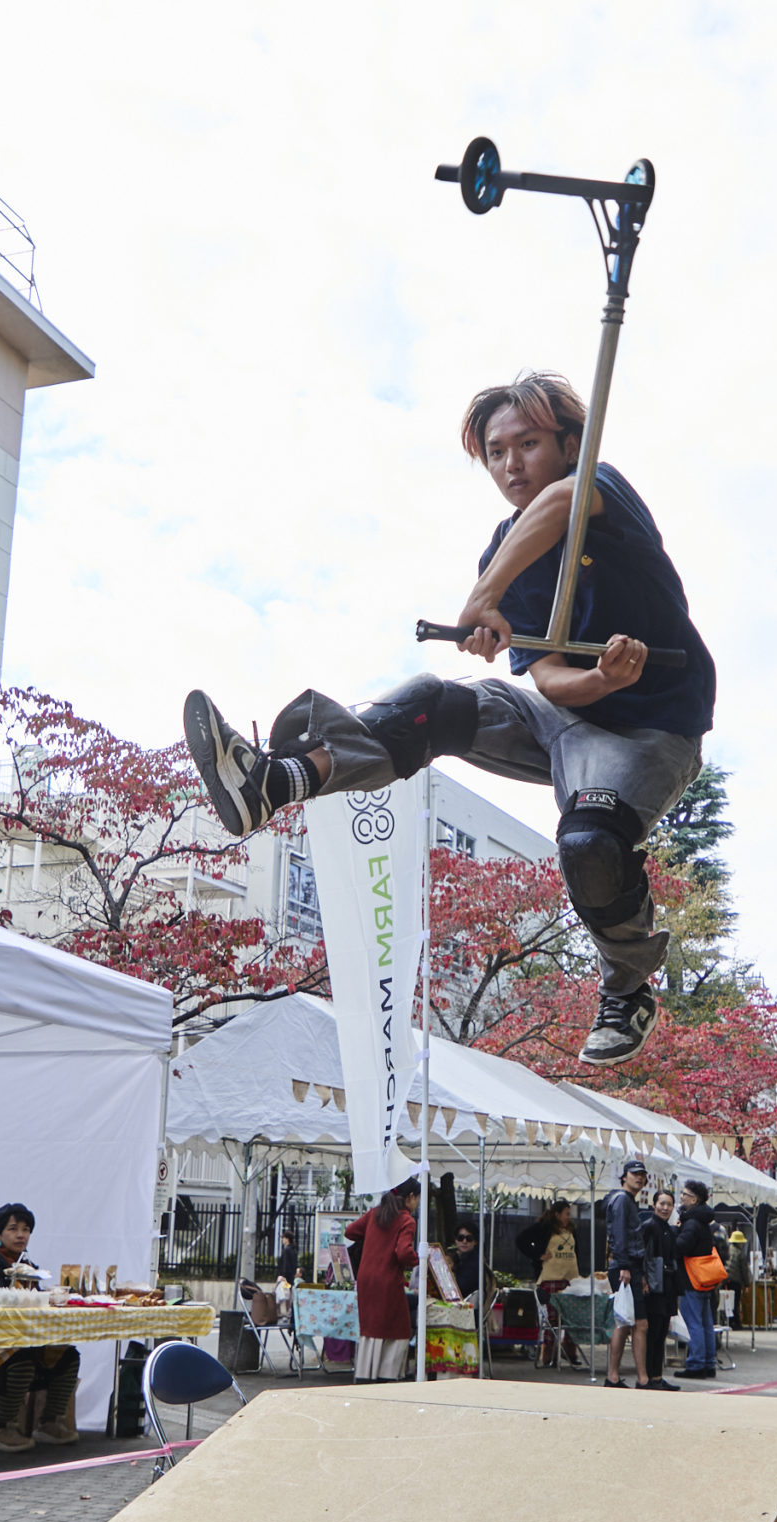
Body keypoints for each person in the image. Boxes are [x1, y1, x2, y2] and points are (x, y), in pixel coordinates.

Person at [183, 372, 717, 1067]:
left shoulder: (601, 490)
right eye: (496, 452)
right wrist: (592, 676)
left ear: (570, 445)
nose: (511, 465)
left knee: (590, 843)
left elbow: (567, 500)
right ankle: (278, 782)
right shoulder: (505, 548)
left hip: (651, 729)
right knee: (432, 701)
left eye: (528, 444)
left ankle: (627, 984)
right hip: (565, 712)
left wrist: (483, 595)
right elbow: (548, 677)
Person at [0, 1204, 80, 1450]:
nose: (21, 1235)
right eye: (13, 1229)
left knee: (68, 1355)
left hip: (25, 1342)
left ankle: (49, 1422)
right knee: (23, 1359)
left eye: (26, 1229)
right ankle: (0, 1428)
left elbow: (35, 1302)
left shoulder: (28, 1266)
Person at [345, 1178, 421, 1382]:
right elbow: (404, 1253)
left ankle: (365, 1373)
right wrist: (419, 1258)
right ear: (411, 1197)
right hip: (387, 1279)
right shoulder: (407, 1220)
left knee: (370, 1325)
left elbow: (350, 1231)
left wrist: (371, 1240)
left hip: (366, 1278)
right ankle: (387, 1374)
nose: (418, 1204)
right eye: (418, 1199)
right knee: (398, 1326)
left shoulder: (374, 1214)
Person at [601, 1160, 649, 1387]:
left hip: (628, 1265)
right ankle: (642, 1378)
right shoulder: (622, 1201)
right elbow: (619, 1236)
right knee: (638, 1324)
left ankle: (614, 1375)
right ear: (624, 1176)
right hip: (625, 1266)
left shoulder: (626, 1200)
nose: (639, 1178)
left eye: (642, 1175)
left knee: (624, 1322)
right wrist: (624, 1266)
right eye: (635, 1174)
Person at [525, 1200, 586, 1369]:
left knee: (571, 1317)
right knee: (552, 1320)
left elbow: (577, 1251)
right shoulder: (544, 1228)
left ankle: (570, 1352)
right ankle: (548, 1355)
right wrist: (537, 1255)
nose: (569, 1217)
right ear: (557, 1214)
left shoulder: (571, 1229)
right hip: (550, 1279)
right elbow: (522, 1240)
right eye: (566, 1213)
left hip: (570, 1279)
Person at [633, 1189, 682, 1391]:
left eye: (669, 1204)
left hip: (668, 1285)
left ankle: (658, 1376)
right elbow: (639, 1256)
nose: (665, 1208)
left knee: (662, 1332)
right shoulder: (648, 1226)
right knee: (653, 1333)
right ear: (653, 1205)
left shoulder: (669, 1230)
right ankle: (649, 1377)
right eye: (661, 1203)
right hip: (654, 1285)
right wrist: (643, 1278)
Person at [672, 1180, 721, 1379]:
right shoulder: (703, 1221)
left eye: (685, 1194)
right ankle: (708, 1362)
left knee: (693, 1323)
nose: (681, 1197)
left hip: (691, 1278)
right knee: (705, 1322)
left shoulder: (690, 1223)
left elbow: (680, 1247)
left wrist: (675, 1232)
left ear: (694, 1199)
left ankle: (696, 1364)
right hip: (705, 1279)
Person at [450, 1225, 481, 1299]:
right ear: (456, 1240)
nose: (464, 1241)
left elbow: (461, 1287)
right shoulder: (456, 1258)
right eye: (460, 1238)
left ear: (475, 1242)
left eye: (469, 1239)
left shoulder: (476, 1263)